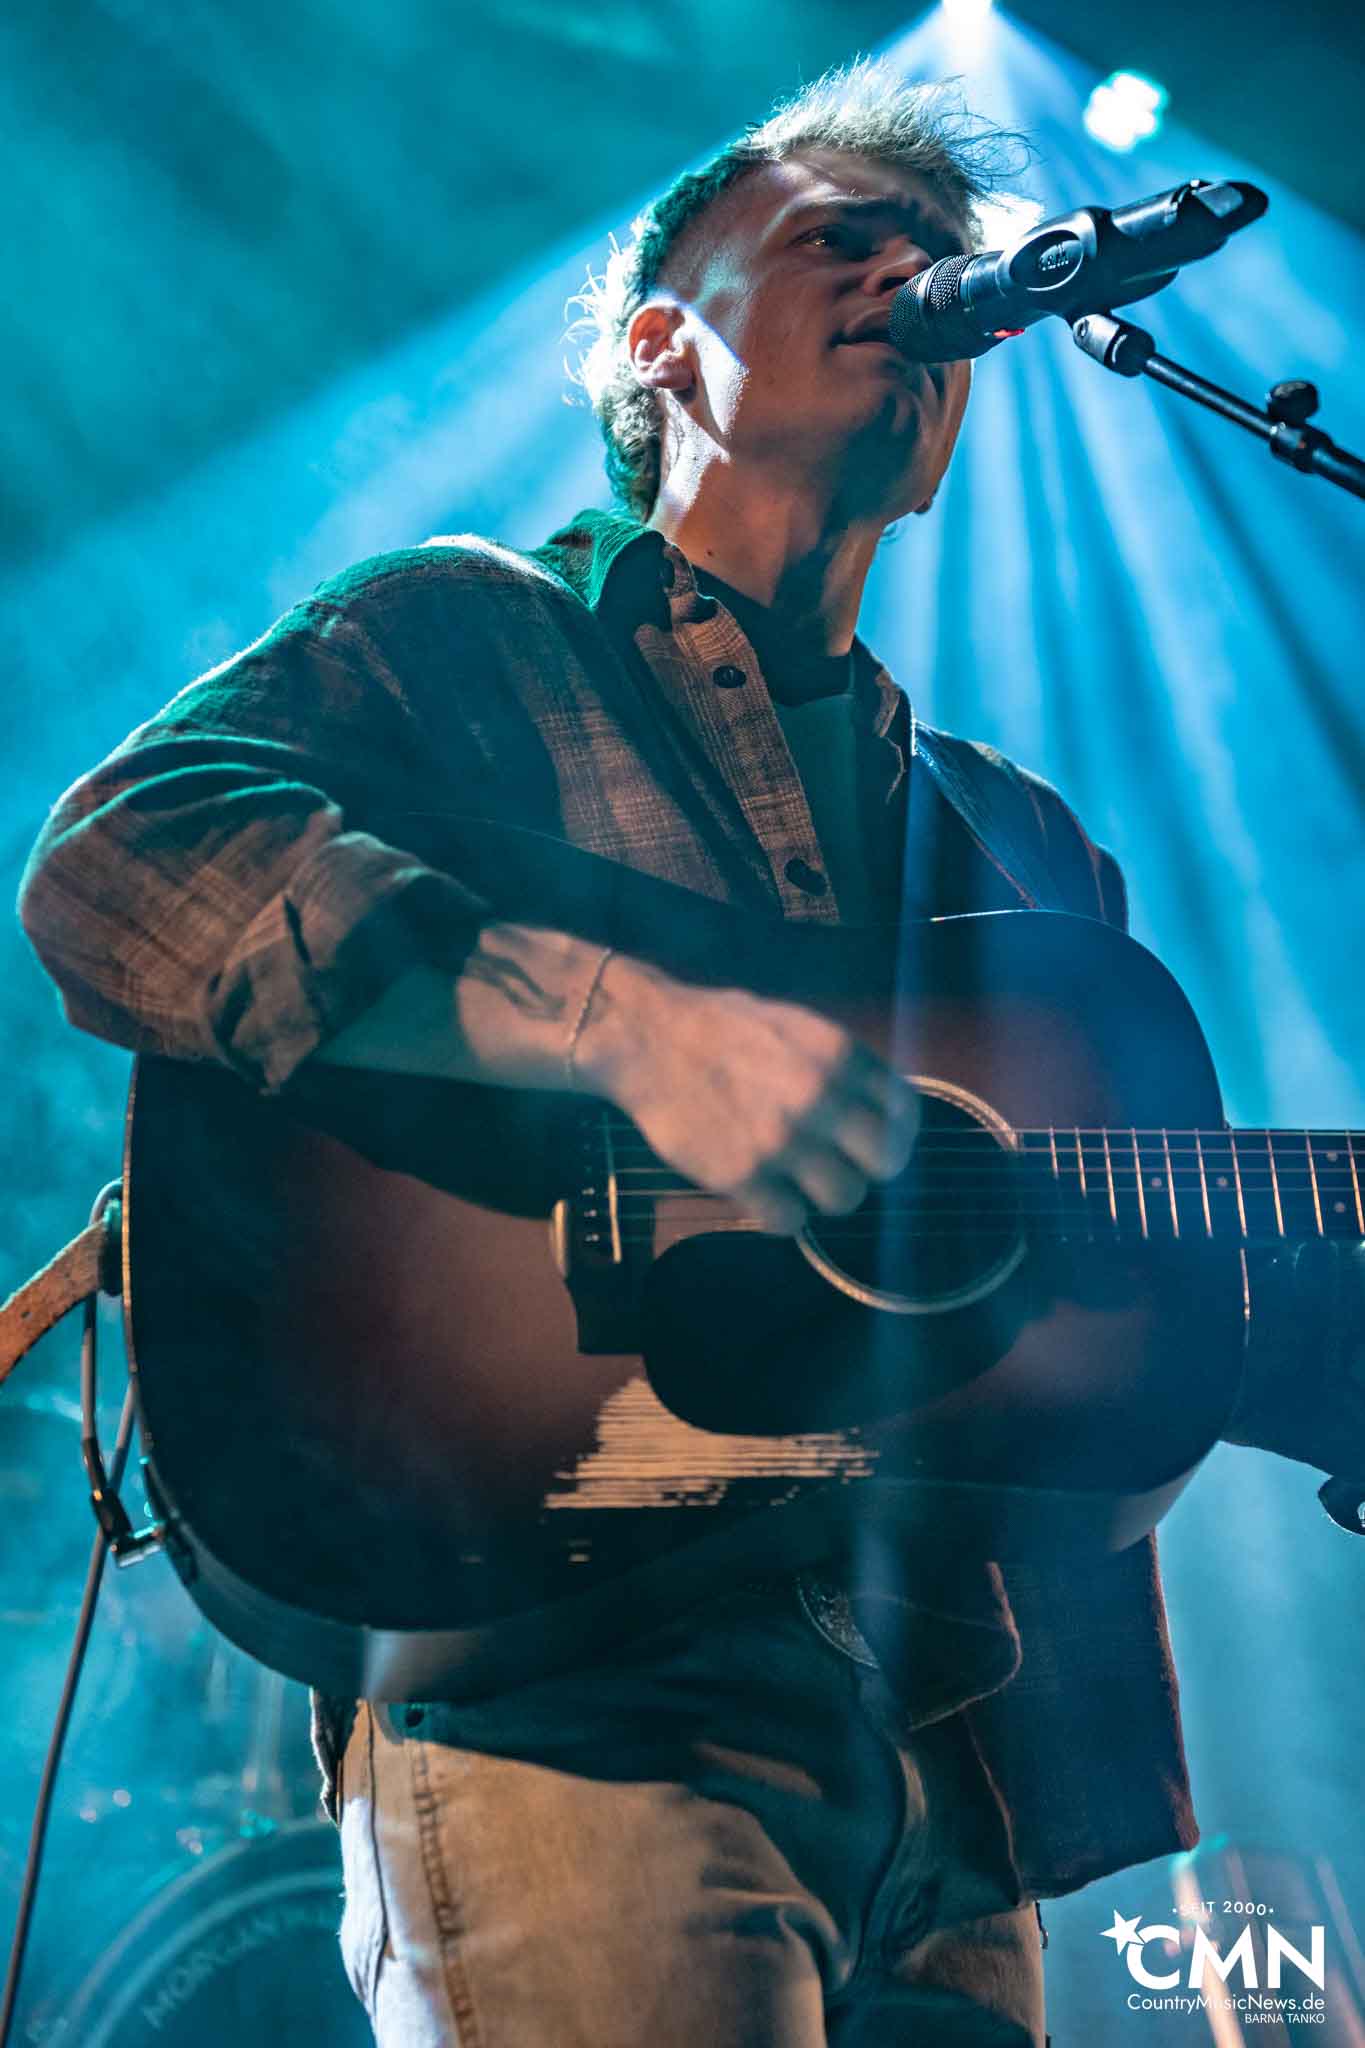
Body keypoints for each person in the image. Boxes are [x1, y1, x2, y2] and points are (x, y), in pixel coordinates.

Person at [18, 57, 1362, 2048]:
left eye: (935, 255)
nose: (909, 275)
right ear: (661, 347)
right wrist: (627, 1029)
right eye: (840, 238)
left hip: (964, 1765)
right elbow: (121, 858)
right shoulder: (461, 638)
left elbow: (1141, 1317)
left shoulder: (1021, 849)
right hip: (566, 1698)